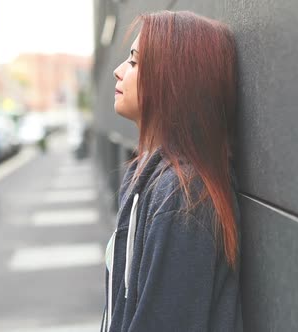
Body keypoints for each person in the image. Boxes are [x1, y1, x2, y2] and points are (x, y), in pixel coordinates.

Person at [100, 10, 242, 332]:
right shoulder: (149, 178)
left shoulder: (182, 197)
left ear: (174, 79)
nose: (118, 71)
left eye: (134, 62)